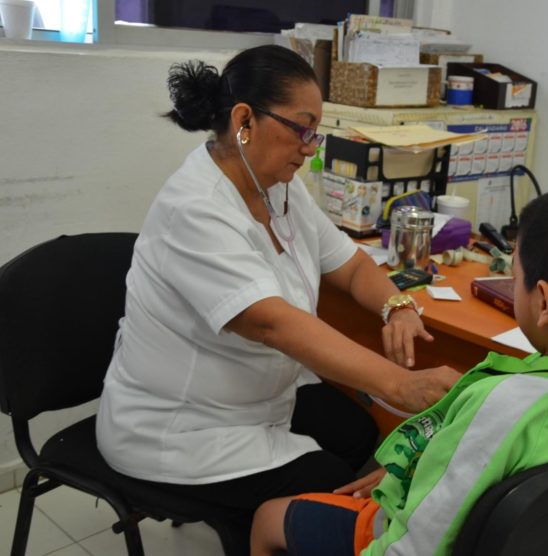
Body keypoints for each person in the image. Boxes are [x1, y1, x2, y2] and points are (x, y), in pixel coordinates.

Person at [95, 44, 460, 543]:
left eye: (316, 132)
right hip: (179, 429)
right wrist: (400, 385)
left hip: (255, 398)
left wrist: (397, 305)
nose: (311, 147)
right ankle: (267, 531)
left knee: (359, 435)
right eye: (302, 128)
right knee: (331, 489)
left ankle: (269, 526)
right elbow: (272, 323)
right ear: (245, 120)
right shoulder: (196, 209)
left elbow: (352, 265)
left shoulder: (277, 188)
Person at [249, 183, 548, 556]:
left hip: (397, 540)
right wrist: (419, 475)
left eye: (514, 278)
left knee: (268, 518)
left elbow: (417, 546)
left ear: (545, 304)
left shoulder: (502, 407)